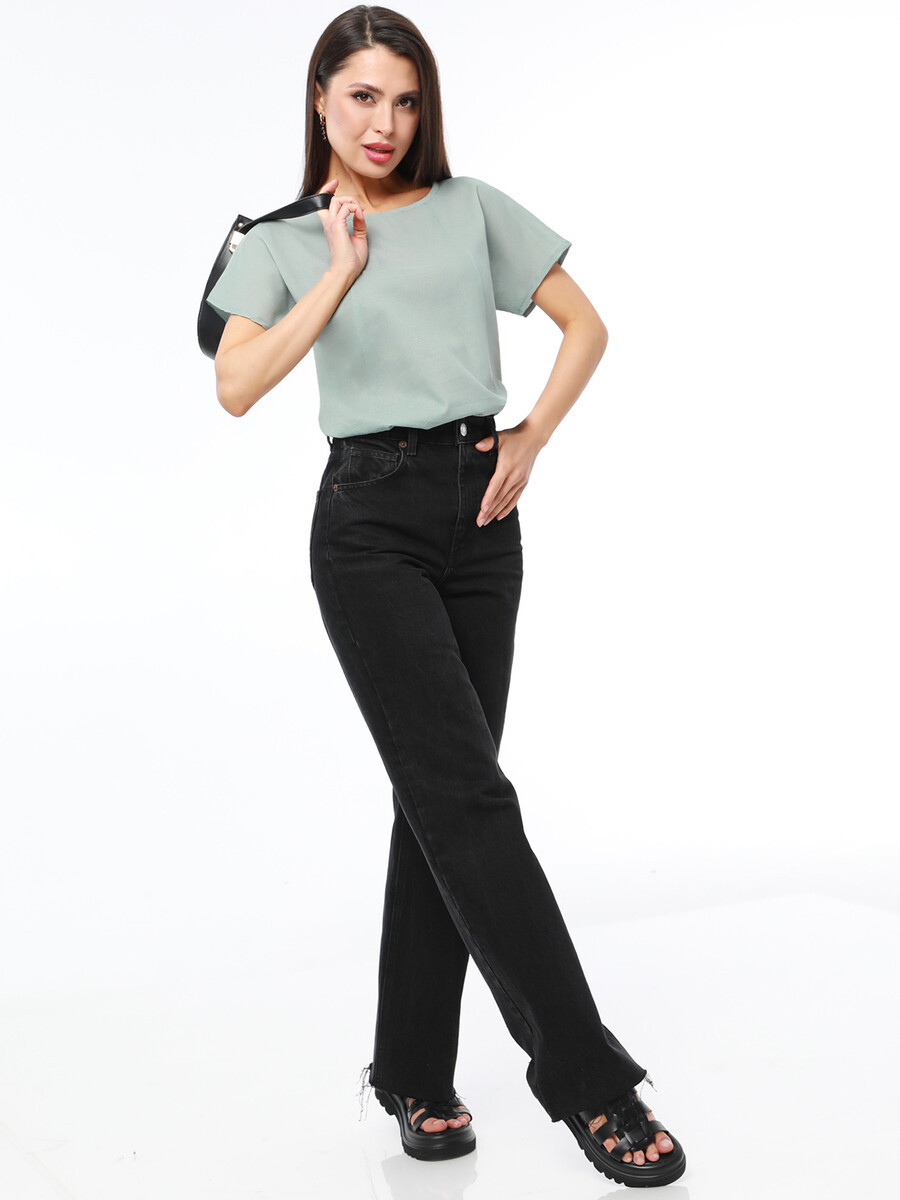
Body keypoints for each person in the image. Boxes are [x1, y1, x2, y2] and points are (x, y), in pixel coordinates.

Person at [205, 5, 685, 1187]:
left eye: (407, 100)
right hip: (368, 524)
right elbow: (237, 384)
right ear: (321, 99)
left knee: (443, 801)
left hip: (482, 517)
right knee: (468, 798)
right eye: (364, 96)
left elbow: (586, 325)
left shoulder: (471, 208)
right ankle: (591, 1082)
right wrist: (339, 270)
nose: (387, 122)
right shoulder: (279, 240)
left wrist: (533, 435)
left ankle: (414, 1076)